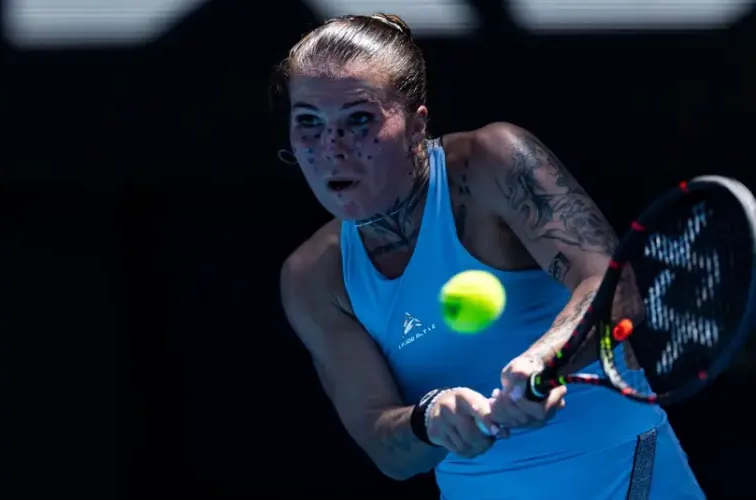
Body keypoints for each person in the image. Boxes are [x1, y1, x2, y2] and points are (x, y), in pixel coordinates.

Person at [277, 13, 704, 499]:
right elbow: (386, 448)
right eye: (308, 122)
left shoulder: (491, 165)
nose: (331, 149)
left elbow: (613, 287)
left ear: (417, 126)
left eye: (359, 119)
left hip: (623, 478)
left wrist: (546, 359)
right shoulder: (313, 276)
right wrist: (430, 418)